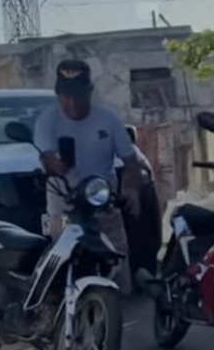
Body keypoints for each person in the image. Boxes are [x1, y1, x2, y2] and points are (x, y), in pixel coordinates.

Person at [35, 59, 142, 294]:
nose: (72, 103)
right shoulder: (47, 121)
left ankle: (120, 304)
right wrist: (53, 164)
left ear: (90, 91)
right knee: (61, 265)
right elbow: (45, 157)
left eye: (79, 95)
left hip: (102, 206)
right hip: (64, 208)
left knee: (118, 256)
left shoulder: (108, 119)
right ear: (58, 94)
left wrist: (130, 188)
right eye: (66, 96)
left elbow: (130, 160)